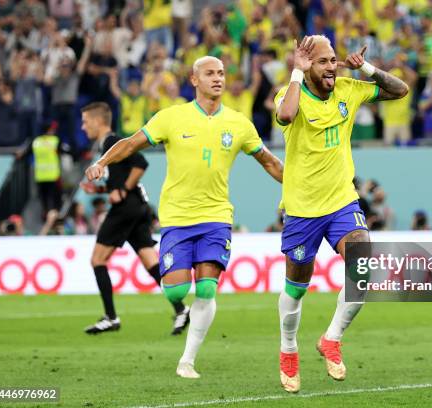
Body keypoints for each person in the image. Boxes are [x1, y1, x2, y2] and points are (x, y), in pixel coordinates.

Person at [85, 56, 284, 379]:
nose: (218, 78)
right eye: (210, 74)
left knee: (206, 289)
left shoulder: (239, 123)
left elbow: (270, 162)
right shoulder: (171, 118)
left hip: (216, 216)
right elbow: (131, 143)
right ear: (194, 80)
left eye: (221, 73)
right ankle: (181, 314)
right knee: (176, 292)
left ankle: (187, 360)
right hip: (176, 217)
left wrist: (299, 187)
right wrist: (103, 162)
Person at [274, 35, 408, 392]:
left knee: (362, 265)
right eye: (323, 61)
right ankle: (288, 348)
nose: (331, 67)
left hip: (341, 203)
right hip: (302, 210)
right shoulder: (292, 93)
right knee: (296, 288)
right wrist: (297, 75)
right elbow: (284, 116)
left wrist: (365, 67)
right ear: (307, 66)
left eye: (333, 60)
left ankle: (331, 339)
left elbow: (401, 91)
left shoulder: (350, 89)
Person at [79, 102, 189, 336]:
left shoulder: (110, 142)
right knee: (151, 263)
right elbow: (118, 184)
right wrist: (100, 192)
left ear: (98, 122)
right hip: (136, 207)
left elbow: (141, 163)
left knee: (98, 260)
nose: (82, 126)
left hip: (126, 208)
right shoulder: (106, 146)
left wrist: (124, 189)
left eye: (85, 121)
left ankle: (110, 317)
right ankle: (181, 309)